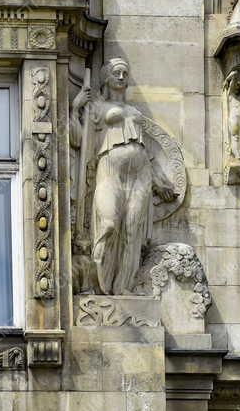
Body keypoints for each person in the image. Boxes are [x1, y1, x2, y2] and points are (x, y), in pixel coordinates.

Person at [71, 58, 176, 294]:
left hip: (141, 172)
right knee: (109, 222)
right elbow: (77, 139)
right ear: (106, 78)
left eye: (125, 73)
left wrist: (159, 180)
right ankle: (99, 278)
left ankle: (123, 288)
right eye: (117, 73)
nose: (121, 77)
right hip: (110, 168)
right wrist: (76, 108)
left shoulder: (135, 112)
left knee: (132, 231)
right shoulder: (97, 106)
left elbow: (147, 151)